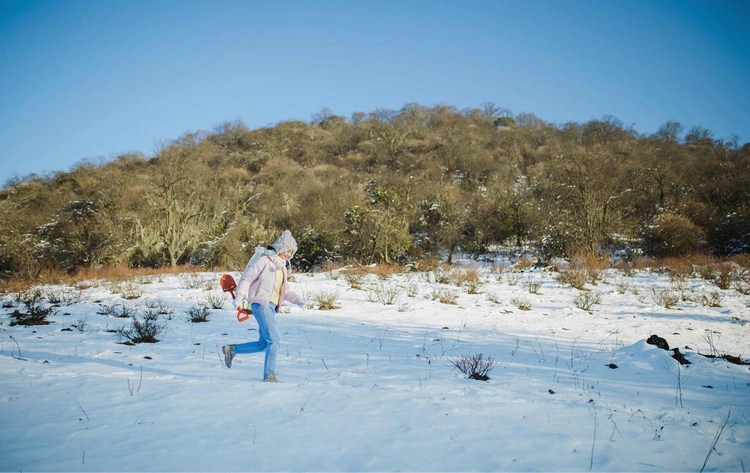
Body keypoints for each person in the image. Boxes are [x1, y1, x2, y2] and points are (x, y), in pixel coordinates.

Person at [221, 230, 305, 382]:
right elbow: (247, 278)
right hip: (261, 305)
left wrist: (298, 300)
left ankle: (231, 350)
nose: (289, 253)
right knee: (274, 340)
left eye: (292, 251)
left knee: (264, 343)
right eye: (287, 249)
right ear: (280, 247)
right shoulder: (264, 261)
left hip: (271, 308)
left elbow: (284, 291)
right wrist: (239, 298)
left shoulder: (283, 269)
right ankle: (269, 375)